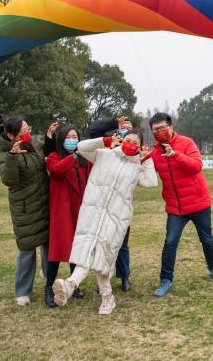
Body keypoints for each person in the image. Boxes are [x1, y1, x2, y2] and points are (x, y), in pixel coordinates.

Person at [52, 131, 158, 314]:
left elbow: (151, 182)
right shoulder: (105, 154)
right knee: (90, 250)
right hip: (93, 212)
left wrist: (146, 159)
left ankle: (72, 284)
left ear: (139, 146)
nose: (130, 144)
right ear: (121, 140)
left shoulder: (137, 168)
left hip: (116, 217)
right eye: (128, 140)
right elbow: (82, 147)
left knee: (104, 255)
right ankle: (103, 296)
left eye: (135, 142)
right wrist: (105, 140)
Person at [149, 112, 213, 298]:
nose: (160, 132)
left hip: (198, 203)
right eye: (155, 130)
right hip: (176, 208)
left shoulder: (186, 143)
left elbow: (196, 166)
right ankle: (166, 280)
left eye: (163, 128)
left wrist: (175, 155)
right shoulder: (154, 153)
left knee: (207, 239)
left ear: (171, 127)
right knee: (170, 242)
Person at [0, 117, 50, 306]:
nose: (27, 133)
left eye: (28, 129)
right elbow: (9, 180)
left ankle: (47, 273)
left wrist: (50, 138)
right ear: (11, 135)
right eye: (23, 131)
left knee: (47, 243)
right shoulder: (5, 154)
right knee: (27, 249)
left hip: (43, 202)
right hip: (26, 208)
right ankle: (22, 290)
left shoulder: (33, 145)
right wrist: (12, 156)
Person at [44, 125, 91, 307]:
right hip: (62, 210)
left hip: (80, 209)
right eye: (69, 136)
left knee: (76, 249)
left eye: (75, 136)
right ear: (62, 139)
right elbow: (56, 171)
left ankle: (73, 284)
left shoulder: (83, 159)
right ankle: (49, 288)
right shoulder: (55, 157)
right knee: (56, 252)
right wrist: (73, 157)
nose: (72, 139)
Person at [88, 116, 134, 292]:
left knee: (122, 243)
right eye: (122, 127)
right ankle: (103, 281)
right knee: (103, 243)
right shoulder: (109, 145)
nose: (125, 129)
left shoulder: (134, 152)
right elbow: (94, 132)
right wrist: (113, 123)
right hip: (102, 202)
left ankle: (124, 277)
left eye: (128, 128)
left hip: (122, 203)